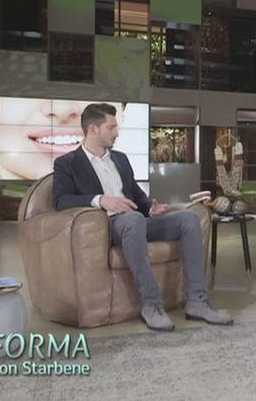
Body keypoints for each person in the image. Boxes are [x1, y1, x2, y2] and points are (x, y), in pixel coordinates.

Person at [52, 103, 233, 331]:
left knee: (188, 219)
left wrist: (150, 208)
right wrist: (101, 200)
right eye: (111, 127)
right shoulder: (67, 163)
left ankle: (197, 301)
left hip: (136, 221)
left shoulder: (120, 159)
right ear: (93, 129)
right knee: (133, 219)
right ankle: (151, 304)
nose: (117, 133)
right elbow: (61, 201)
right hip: (106, 226)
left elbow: (136, 195)